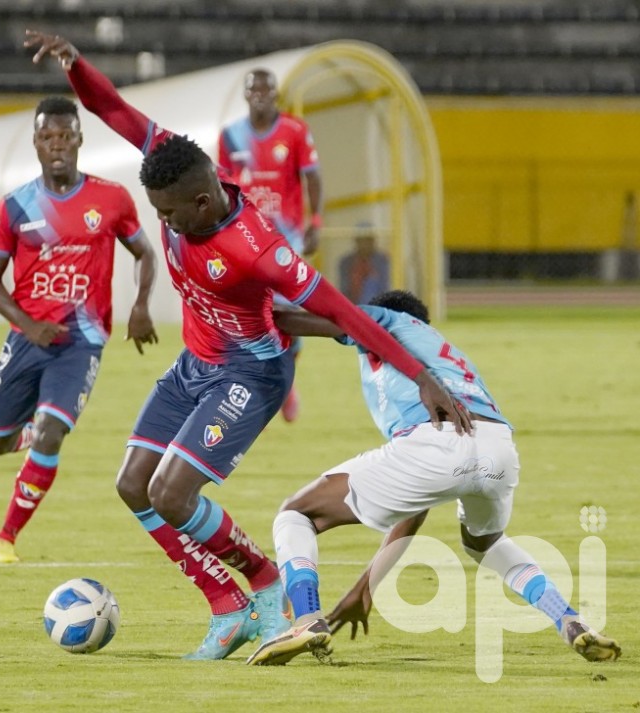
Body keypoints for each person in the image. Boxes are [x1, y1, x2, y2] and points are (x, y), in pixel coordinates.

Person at [23, 30, 471, 661]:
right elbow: (115, 112)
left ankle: (263, 586)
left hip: (249, 375)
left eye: (172, 216)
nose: (166, 225)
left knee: (171, 495)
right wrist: (76, 67)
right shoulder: (174, 164)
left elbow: (342, 311)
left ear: (203, 203)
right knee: (132, 486)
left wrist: (421, 375)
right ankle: (226, 604)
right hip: (194, 364)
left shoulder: (259, 249)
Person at [246, 290, 622, 666]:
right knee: (486, 543)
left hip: (435, 442)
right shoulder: (442, 349)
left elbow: (293, 317)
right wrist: (366, 588)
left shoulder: (386, 319)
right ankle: (568, 617)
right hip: (497, 446)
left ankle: (308, 619)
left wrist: (230, 299)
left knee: (297, 514)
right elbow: (419, 502)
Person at [0, 96, 158, 564]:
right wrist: (26, 324)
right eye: (47, 137)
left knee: (52, 432)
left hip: (83, 340)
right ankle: (28, 435)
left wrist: (140, 304)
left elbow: (144, 252)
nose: (57, 144)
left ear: (79, 138)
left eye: (65, 135)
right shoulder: (15, 205)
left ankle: (6, 538)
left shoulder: (112, 198)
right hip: (28, 338)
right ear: (36, 143)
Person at [218, 69, 323, 423]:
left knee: (286, 310)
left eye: (267, 88)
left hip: (286, 239)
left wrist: (316, 222)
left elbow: (313, 177)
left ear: (276, 94)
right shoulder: (230, 136)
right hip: (245, 237)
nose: (261, 94)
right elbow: (222, 186)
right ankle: (256, 382)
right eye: (254, 88)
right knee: (248, 311)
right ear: (245, 95)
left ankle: (286, 379)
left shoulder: (294, 131)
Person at [338, 225, 390, 304]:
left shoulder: (382, 261)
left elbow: (385, 287)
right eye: (362, 240)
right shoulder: (346, 262)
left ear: (373, 241)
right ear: (356, 241)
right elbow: (343, 289)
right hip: (352, 306)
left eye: (368, 240)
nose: (365, 244)